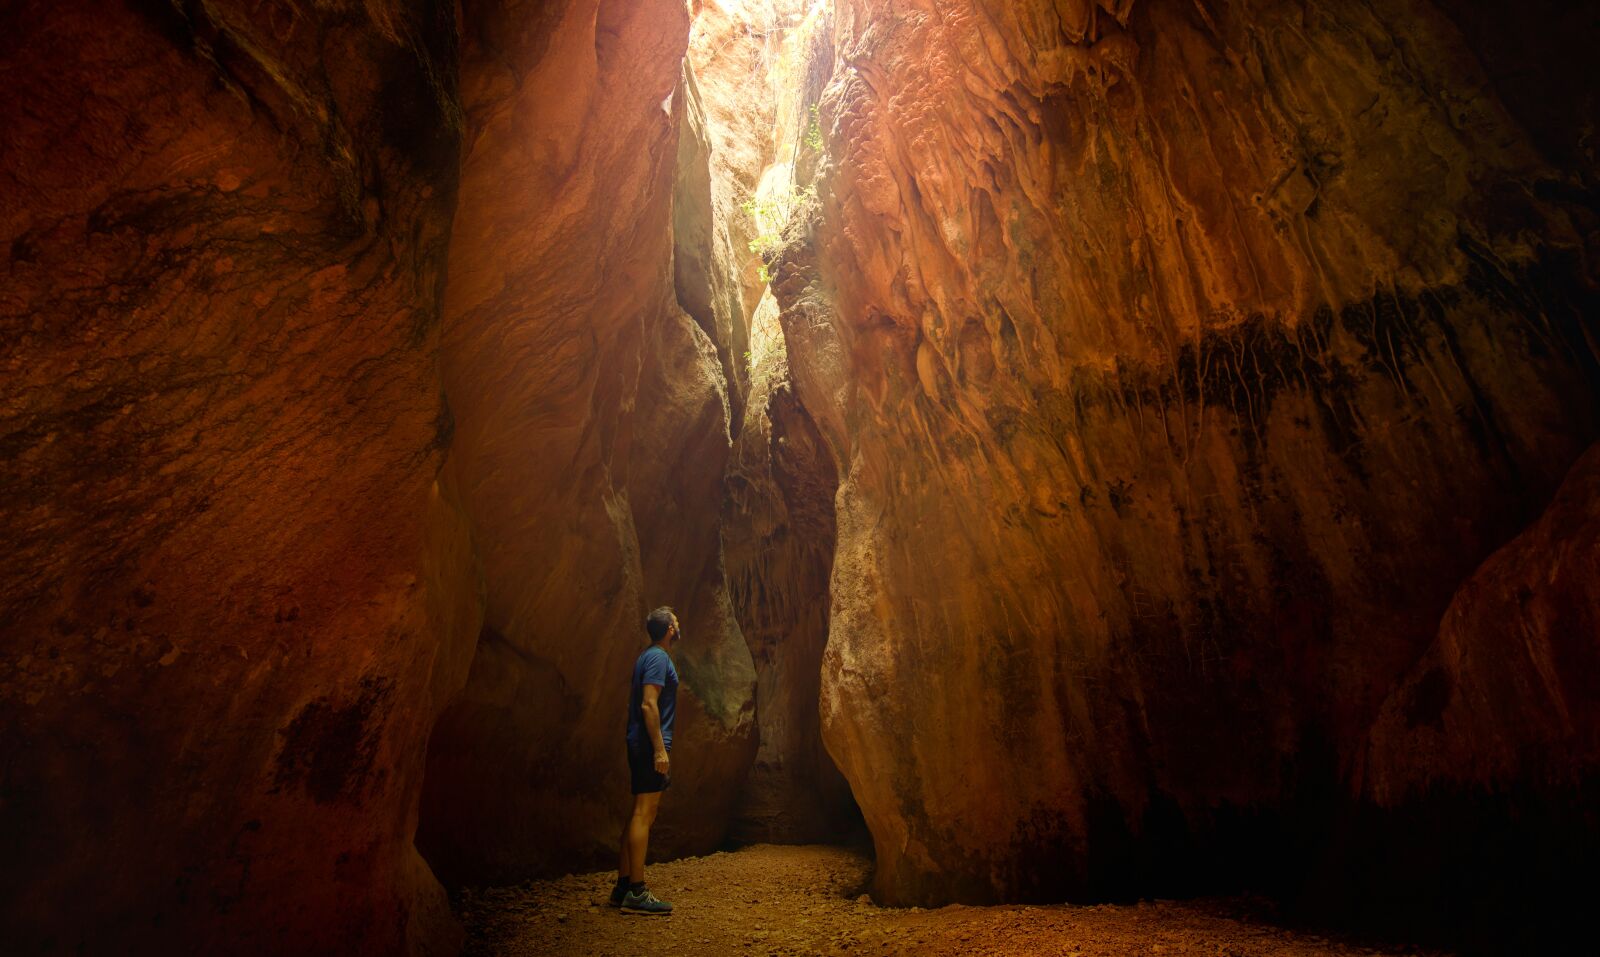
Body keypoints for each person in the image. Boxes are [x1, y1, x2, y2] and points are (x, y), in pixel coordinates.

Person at [611, 606, 680, 916]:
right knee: (644, 812)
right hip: (648, 743)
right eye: (675, 621)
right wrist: (659, 749)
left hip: (640, 742)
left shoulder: (647, 656)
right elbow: (649, 705)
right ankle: (637, 891)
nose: (678, 625)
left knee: (637, 812)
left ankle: (623, 886)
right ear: (668, 629)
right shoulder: (657, 658)